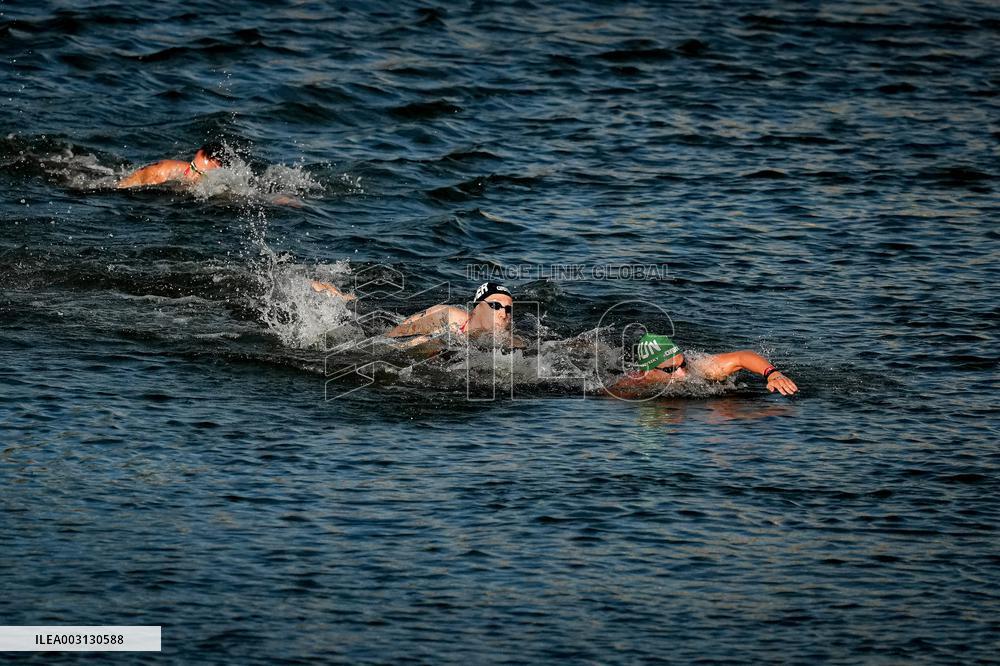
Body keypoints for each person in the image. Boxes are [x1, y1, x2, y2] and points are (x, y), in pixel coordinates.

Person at [608, 333, 799, 398]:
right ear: (648, 371)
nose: (683, 373)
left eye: (682, 364)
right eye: (671, 370)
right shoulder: (631, 385)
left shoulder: (699, 367)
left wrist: (771, 373)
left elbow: (742, 356)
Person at [117, 142, 228, 189]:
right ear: (214, 160)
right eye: (220, 164)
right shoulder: (196, 173)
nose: (220, 168)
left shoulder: (187, 168)